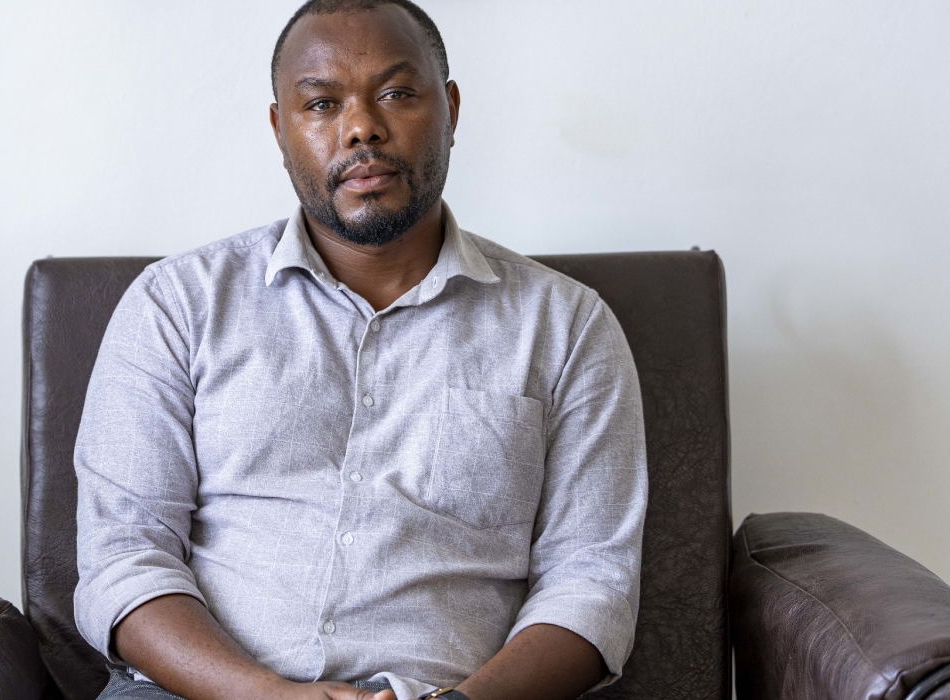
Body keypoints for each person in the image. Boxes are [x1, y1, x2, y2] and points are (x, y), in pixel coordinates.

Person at [74, 1, 648, 699]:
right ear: (281, 128)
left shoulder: (567, 325)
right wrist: (265, 695)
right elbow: (125, 558)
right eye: (321, 103)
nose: (362, 128)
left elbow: (591, 582)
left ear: (452, 110)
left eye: (398, 94)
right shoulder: (176, 305)